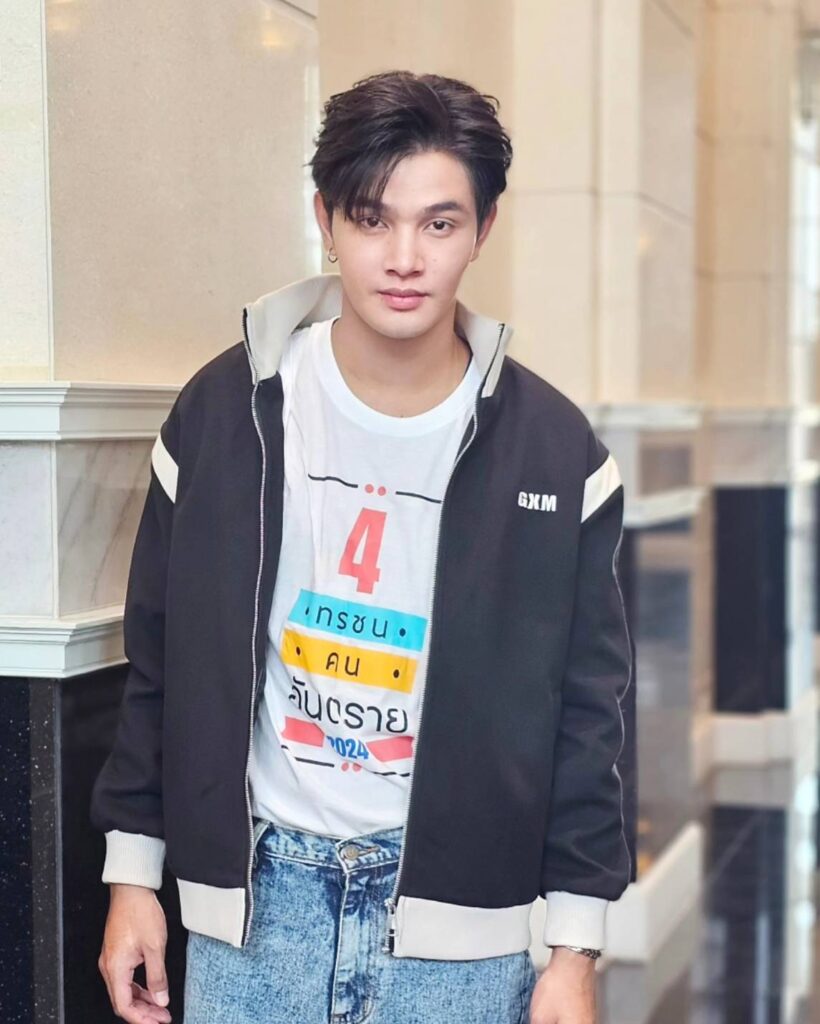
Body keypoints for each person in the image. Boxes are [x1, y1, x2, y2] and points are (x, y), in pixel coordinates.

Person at [91, 69, 634, 1024]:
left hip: (460, 943)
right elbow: (162, 654)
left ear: (482, 229)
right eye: (373, 219)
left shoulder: (556, 452)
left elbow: (590, 712)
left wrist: (576, 949)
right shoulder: (225, 413)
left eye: (439, 223)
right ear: (326, 220)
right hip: (254, 921)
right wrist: (133, 877)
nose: (404, 258)